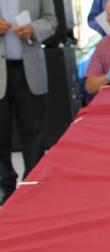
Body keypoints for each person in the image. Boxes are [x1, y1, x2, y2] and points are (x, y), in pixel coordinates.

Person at [0, 0, 57, 206]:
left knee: (34, 133)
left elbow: (51, 21)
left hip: (30, 69)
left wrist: (33, 28)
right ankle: (5, 185)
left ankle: (34, 185)